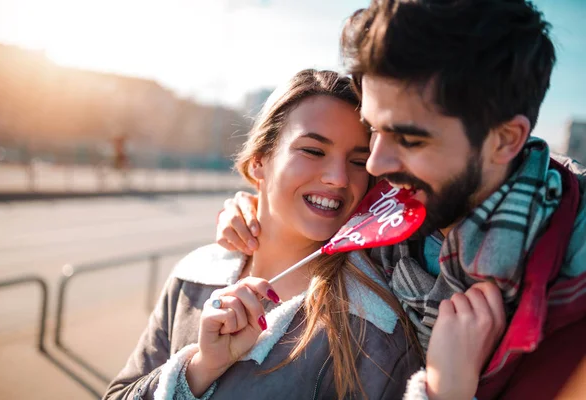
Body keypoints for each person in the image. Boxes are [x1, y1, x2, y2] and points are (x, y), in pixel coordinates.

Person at [215, 1, 586, 399]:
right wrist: (259, 211)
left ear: (506, 139)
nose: (375, 164)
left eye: (410, 139)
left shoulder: (571, 293)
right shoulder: (392, 212)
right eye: (373, 131)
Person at [105, 69, 437, 400]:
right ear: (260, 160)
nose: (338, 178)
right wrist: (200, 368)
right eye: (313, 151)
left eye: (358, 161)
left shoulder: (374, 326)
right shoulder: (194, 276)